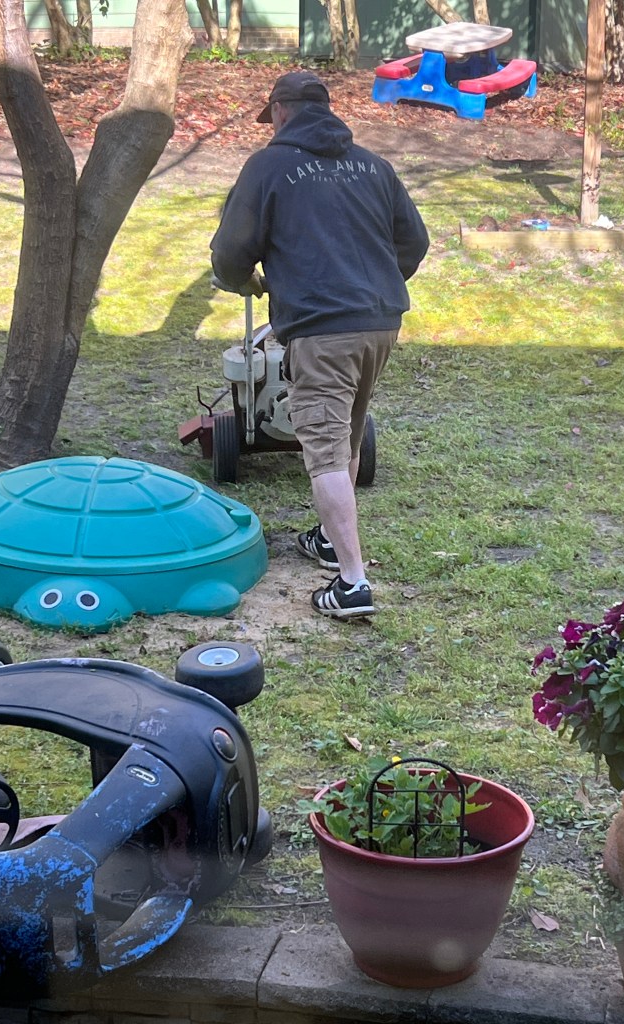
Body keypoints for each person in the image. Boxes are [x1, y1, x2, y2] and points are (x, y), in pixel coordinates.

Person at [210, 71, 429, 620]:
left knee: (324, 449)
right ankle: (331, 541)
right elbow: (415, 241)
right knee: (348, 428)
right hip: (380, 321)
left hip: (321, 327)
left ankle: (352, 583)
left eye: (271, 116)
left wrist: (246, 281)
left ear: (280, 111)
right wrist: (374, 286)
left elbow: (231, 251)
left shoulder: (268, 167)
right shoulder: (374, 167)